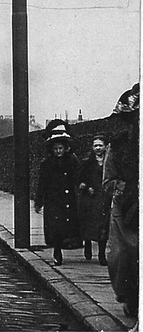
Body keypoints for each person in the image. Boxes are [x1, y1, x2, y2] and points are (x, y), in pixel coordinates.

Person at [103, 83, 139, 320]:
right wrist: (122, 188)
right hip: (127, 207)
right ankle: (129, 296)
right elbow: (108, 180)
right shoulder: (118, 146)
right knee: (121, 255)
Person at [34, 122, 81, 266]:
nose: (58, 151)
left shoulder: (72, 160)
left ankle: (70, 244)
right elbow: (42, 183)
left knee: (69, 224)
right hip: (53, 199)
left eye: (61, 148)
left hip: (68, 197)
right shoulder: (47, 163)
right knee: (55, 227)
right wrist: (39, 200)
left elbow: (78, 176)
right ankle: (57, 251)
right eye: (55, 149)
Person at [77, 134, 109, 264]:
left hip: (104, 198)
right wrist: (86, 187)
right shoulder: (87, 162)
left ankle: (101, 254)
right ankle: (88, 244)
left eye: (100, 145)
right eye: (95, 145)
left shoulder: (109, 162)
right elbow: (80, 179)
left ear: (105, 147)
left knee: (103, 226)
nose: (98, 148)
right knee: (90, 224)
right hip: (91, 198)